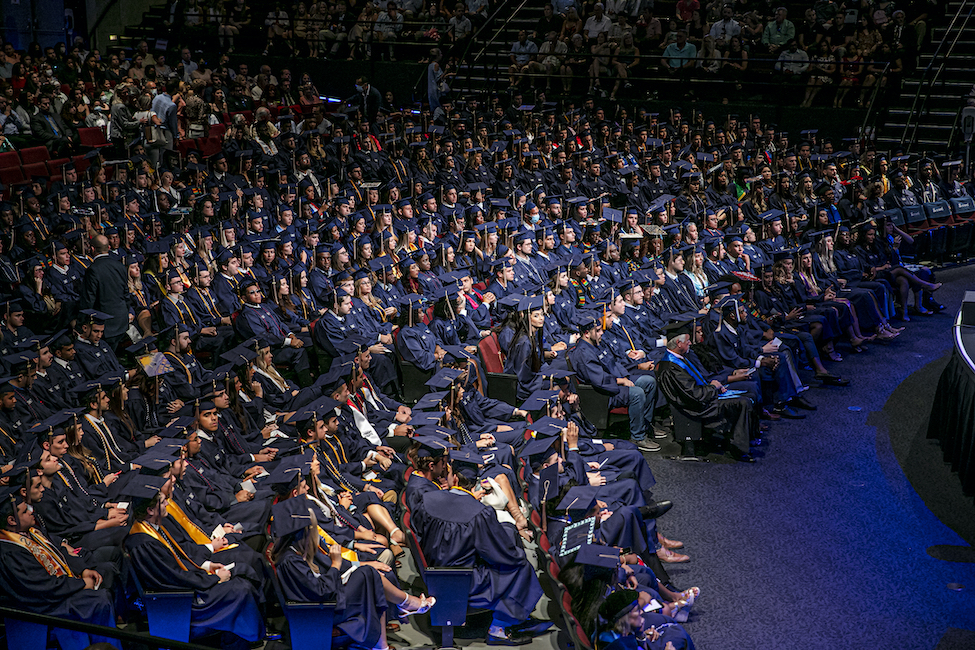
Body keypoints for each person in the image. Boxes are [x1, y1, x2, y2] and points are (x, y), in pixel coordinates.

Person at [80, 235, 130, 350]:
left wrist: (81, 324)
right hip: (121, 320)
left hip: (105, 324)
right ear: (108, 247)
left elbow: (89, 299)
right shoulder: (120, 266)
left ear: (92, 249)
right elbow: (126, 293)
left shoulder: (93, 269)